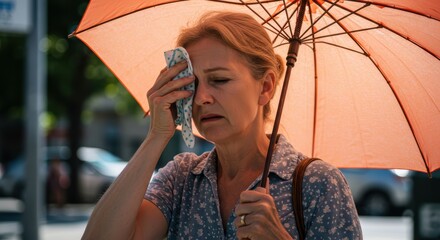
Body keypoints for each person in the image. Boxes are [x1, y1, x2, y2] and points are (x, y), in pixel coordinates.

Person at [82, 11, 362, 240]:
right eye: (192, 85)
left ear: (265, 87)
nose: (202, 98)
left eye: (219, 80)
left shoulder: (319, 184)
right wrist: (157, 136)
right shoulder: (181, 179)